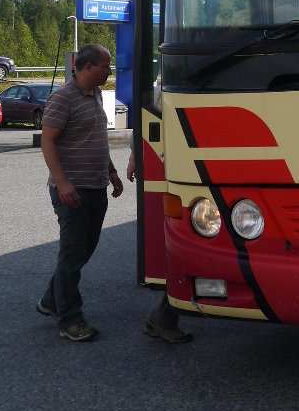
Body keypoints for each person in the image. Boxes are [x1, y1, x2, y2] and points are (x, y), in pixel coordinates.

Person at [36, 43, 123, 342]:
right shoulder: (62, 98)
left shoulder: (96, 94)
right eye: (105, 66)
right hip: (72, 190)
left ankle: (51, 300)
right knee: (73, 253)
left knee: (84, 249)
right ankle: (70, 320)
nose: (109, 71)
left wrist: (111, 172)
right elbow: (47, 142)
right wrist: (62, 182)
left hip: (96, 185)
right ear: (88, 67)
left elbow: (96, 139)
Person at [126, 150, 193, 344]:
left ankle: (52, 299)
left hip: (184, 169)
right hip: (181, 172)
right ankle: (162, 318)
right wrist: (134, 157)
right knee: (183, 251)